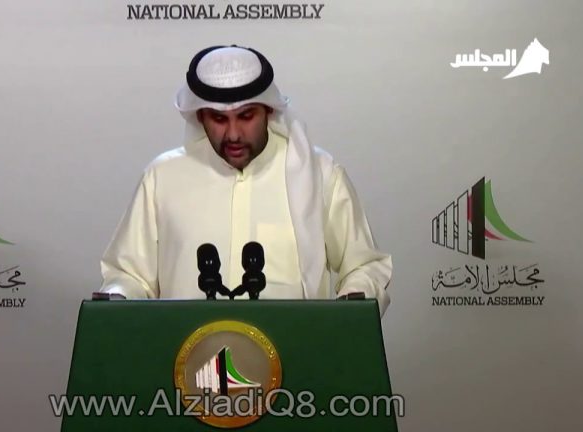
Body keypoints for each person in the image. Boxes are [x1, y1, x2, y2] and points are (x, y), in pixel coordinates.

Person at [97, 45, 392, 316]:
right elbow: (130, 275)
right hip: (187, 353)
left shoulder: (319, 173)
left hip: (295, 352)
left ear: (268, 110)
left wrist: (351, 307)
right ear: (200, 117)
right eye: (219, 119)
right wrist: (119, 295)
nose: (234, 134)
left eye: (246, 116)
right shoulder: (162, 178)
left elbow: (364, 265)